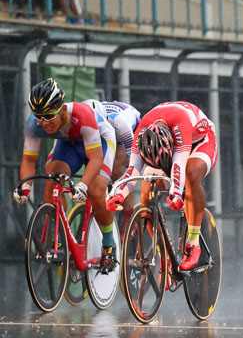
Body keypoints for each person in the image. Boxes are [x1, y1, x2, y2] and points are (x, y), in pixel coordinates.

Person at [13, 78, 118, 273]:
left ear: (61, 109)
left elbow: (95, 159)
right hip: (68, 142)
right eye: (39, 116)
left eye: (48, 116)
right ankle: (58, 239)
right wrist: (25, 188)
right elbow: (28, 161)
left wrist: (83, 186)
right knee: (52, 180)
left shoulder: (82, 115)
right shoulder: (33, 124)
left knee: (96, 191)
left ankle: (109, 243)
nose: (44, 122)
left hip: (100, 141)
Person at [105, 101, 218, 271]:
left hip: (200, 141)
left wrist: (176, 194)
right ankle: (164, 253)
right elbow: (133, 170)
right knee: (146, 189)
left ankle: (193, 243)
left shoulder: (182, 121)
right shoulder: (142, 130)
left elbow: (178, 164)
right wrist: (119, 194)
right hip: (168, 145)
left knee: (190, 174)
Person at [84, 99, 141, 230]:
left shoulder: (120, 124)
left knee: (116, 168)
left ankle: (128, 218)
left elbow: (133, 160)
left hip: (128, 130)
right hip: (108, 132)